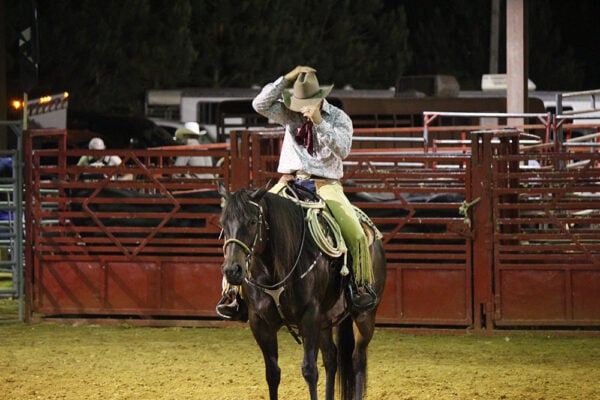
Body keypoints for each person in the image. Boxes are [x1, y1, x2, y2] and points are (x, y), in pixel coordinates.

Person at [216, 65, 375, 321]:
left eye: (305, 102)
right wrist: (286, 78)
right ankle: (233, 293)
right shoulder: (289, 113)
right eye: (297, 101)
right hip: (288, 181)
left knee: (355, 233)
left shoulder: (339, 119)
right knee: (245, 220)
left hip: (326, 185)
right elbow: (260, 104)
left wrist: (319, 122)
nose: (300, 107)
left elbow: (343, 150)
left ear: (319, 99)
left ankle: (358, 287)